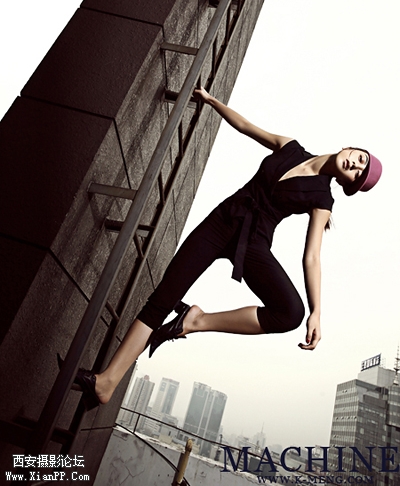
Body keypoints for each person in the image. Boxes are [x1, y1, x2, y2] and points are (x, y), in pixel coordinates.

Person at [71, 87, 382, 408]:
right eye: (360, 158)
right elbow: (246, 126)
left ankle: (197, 321)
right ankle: (107, 382)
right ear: (350, 147)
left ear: (347, 183)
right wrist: (211, 101)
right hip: (221, 222)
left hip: (253, 243)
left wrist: (317, 311)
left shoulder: (323, 200)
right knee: (162, 298)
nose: (354, 165)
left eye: (358, 174)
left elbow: (312, 256)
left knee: (291, 313)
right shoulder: (291, 147)